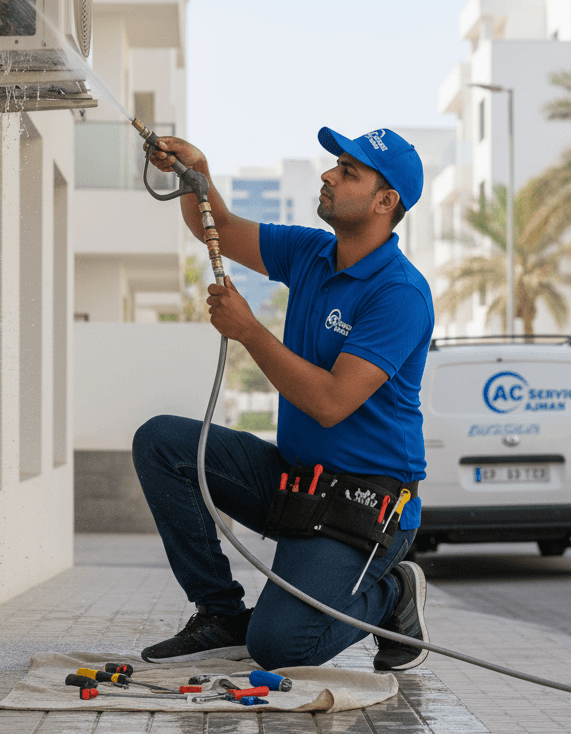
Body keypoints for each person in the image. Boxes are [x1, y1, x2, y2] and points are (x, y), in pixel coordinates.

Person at [132, 127, 434, 671]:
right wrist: (194, 173)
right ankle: (220, 613)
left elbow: (331, 402)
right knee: (162, 443)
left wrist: (250, 331)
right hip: (296, 480)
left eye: (348, 171)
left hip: (367, 503)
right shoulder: (310, 253)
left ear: (386, 202)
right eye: (335, 164)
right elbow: (218, 228)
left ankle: (394, 594)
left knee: (279, 647)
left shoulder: (400, 293)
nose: (328, 175)